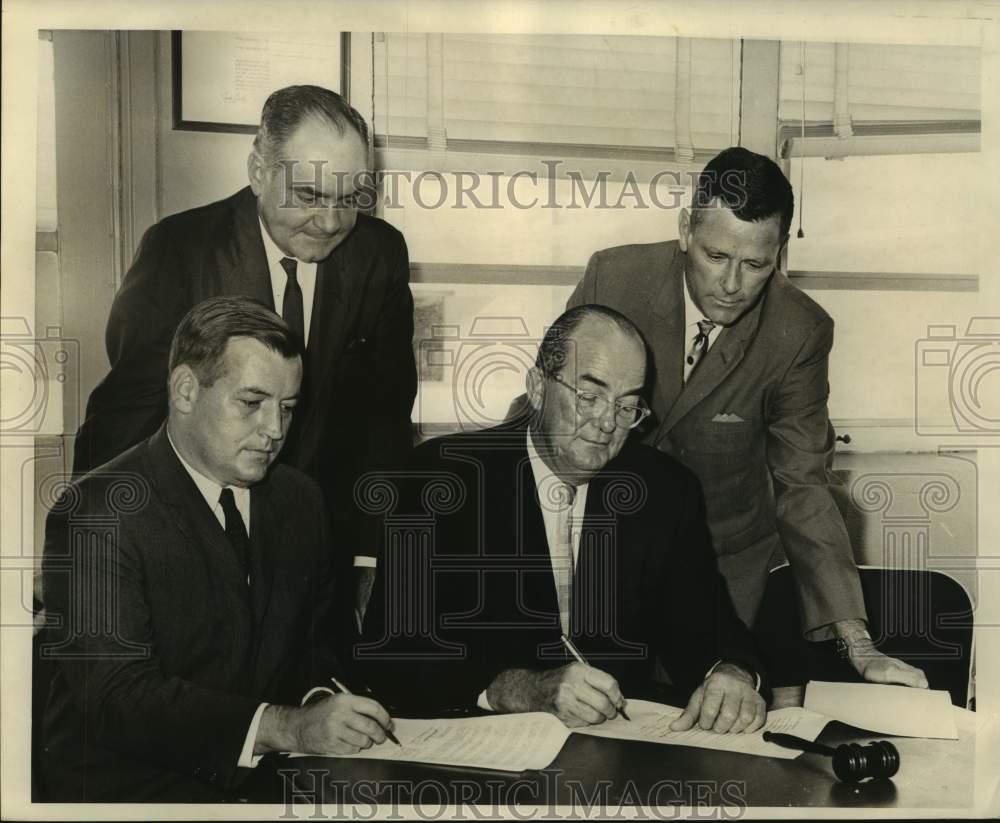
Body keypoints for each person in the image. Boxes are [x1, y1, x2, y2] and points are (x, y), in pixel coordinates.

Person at [567, 146, 927, 688]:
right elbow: (551, 408)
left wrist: (859, 644)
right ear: (686, 229)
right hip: (605, 545)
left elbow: (803, 484)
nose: (731, 285)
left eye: (755, 264)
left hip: (722, 564)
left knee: (711, 718)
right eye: (715, 257)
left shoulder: (799, 331)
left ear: (779, 253)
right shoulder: (613, 277)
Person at [71, 85, 416, 612]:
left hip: (323, 542)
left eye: (349, 199)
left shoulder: (380, 254)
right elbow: (126, 411)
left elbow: (384, 416)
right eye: (308, 196)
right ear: (259, 172)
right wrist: (88, 543)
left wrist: (373, 554)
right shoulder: (179, 250)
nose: (329, 223)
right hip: (198, 530)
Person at [40, 298, 395, 802]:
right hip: (132, 792)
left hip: (272, 783)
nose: (274, 430)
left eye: (288, 408)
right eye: (251, 403)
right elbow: (117, 698)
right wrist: (286, 726)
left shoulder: (300, 500)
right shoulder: (97, 512)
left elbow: (317, 648)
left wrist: (325, 704)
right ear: (185, 390)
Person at [362, 305, 766, 733]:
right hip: (484, 756)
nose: (607, 422)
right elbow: (392, 653)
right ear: (537, 388)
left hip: (616, 756)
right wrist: (512, 688)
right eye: (589, 397)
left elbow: (708, 625)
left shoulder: (664, 491)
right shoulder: (442, 478)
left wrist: (732, 674)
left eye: (628, 406)